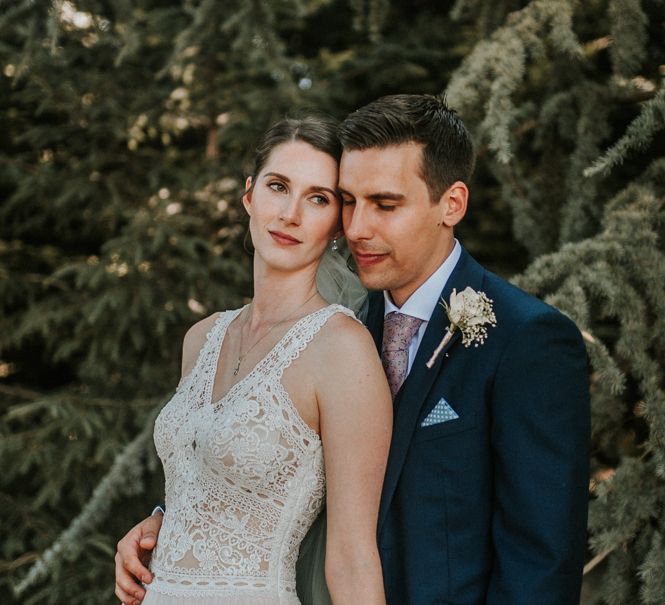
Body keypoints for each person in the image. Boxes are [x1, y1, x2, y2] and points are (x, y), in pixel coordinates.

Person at [117, 95, 590, 604]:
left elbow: (542, 561)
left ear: (451, 204)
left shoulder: (526, 340)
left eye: (385, 204)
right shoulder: (337, 324)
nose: (358, 228)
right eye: (348, 201)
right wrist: (165, 521)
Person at [114, 115, 392, 605]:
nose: (290, 214)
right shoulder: (202, 338)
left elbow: (352, 558)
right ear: (249, 196)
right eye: (278, 186)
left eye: (318, 198)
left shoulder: (340, 349)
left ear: (336, 225)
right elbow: (198, 485)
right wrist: (157, 523)